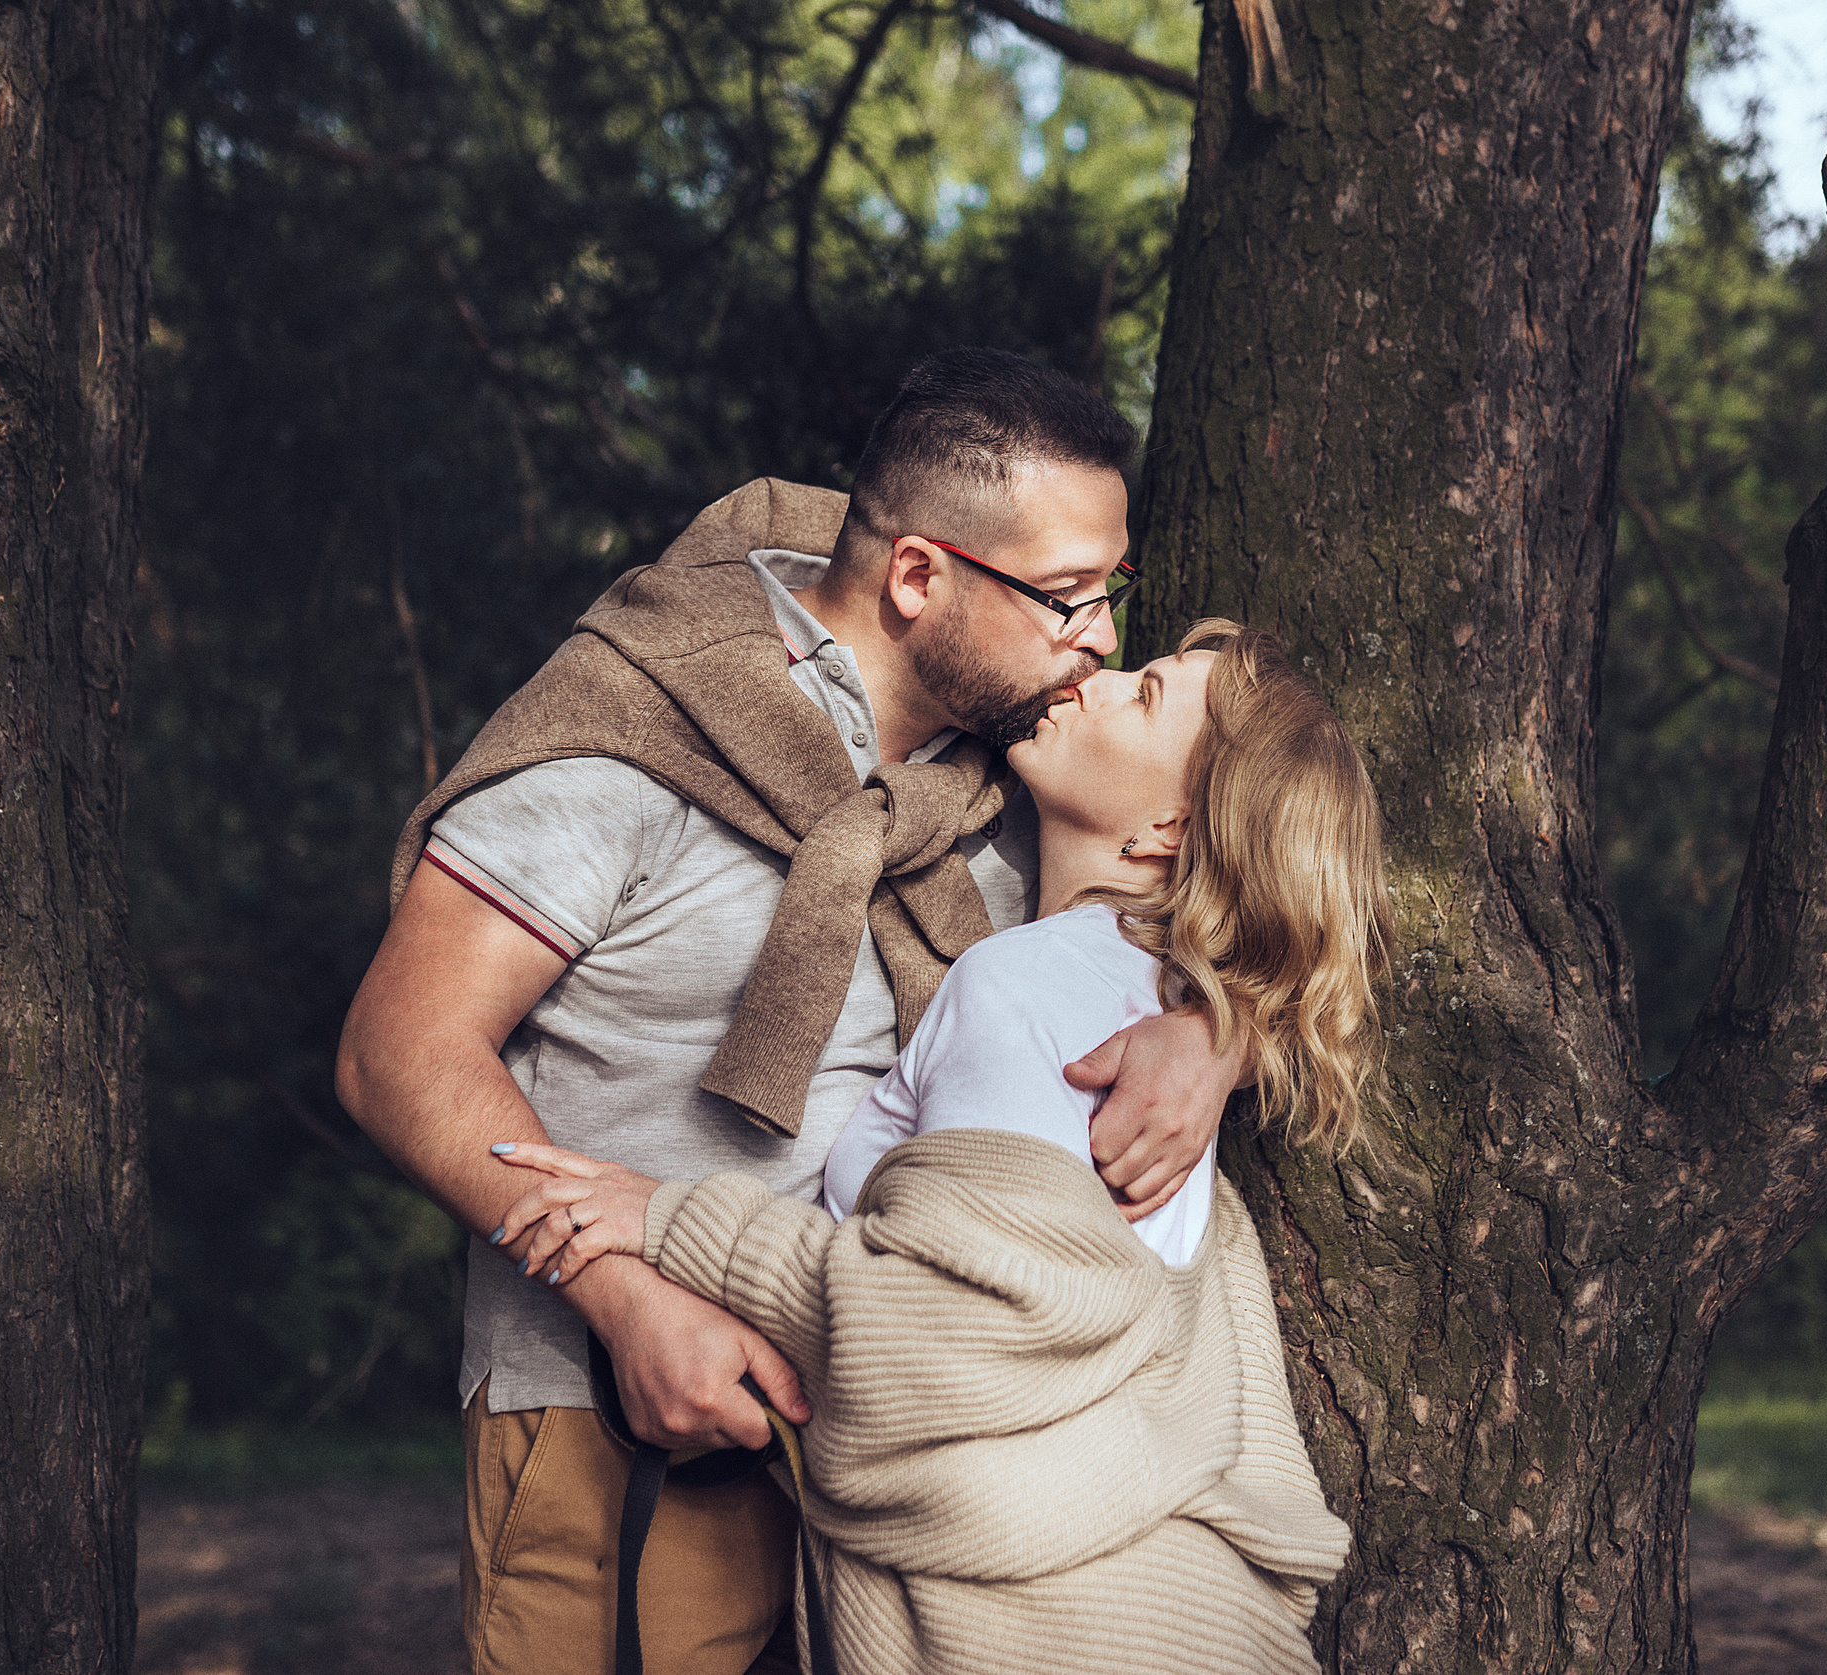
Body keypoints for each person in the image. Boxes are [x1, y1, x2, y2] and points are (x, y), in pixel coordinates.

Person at [334, 349, 1252, 1675]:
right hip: (620, 1409)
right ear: (920, 575)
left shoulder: (1014, 779)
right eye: (1065, 597)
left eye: (1110, 592)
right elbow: (398, 1049)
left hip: (885, 1434)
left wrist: (1217, 1032)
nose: (1100, 638)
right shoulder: (630, 739)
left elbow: (1224, 910)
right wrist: (628, 1299)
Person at [492, 619, 1392, 1675]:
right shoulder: (1150, 1001)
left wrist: (672, 1219)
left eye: (1142, 696)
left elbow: (951, 1330)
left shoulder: (1031, 982)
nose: (1096, 679)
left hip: (1057, 1635)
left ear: (1164, 829)